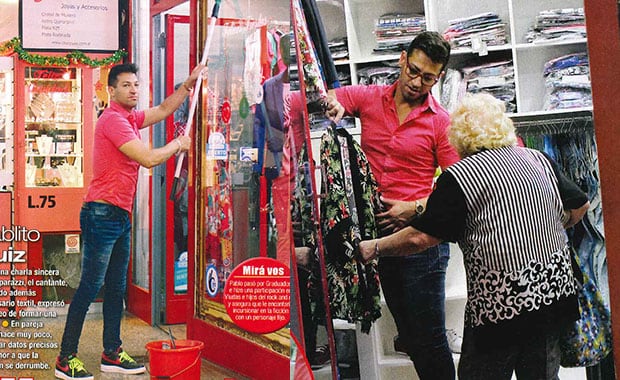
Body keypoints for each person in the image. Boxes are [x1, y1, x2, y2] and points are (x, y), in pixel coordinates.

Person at [358, 92, 589, 379]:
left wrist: (375, 247)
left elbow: (421, 238)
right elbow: (580, 204)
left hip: (502, 307)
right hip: (553, 295)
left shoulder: (460, 176)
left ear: (459, 136)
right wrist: (556, 223)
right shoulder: (537, 158)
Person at [54, 62, 204, 380]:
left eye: (136, 84)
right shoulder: (113, 121)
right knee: (90, 286)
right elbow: (148, 159)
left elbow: (164, 109)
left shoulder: (130, 118)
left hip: (120, 215)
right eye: (126, 85)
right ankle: (66, 358)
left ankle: (112, 353)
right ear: (111, 90)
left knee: (116, 288)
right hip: (101, 215)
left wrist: (187, 86)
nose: (133, 89)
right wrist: (178, 144)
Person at [326, 31, 460, 379]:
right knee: (411, 338)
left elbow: (458, 187)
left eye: (428, 77)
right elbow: (330, 96)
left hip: (421, 245)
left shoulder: (440, 122)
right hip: (381, 245)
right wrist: (334, 103)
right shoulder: (371, 99)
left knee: (429, 339)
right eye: (413, 71)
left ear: (439, 76)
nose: (417, 82)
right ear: (402, 59)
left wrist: (412, 207)